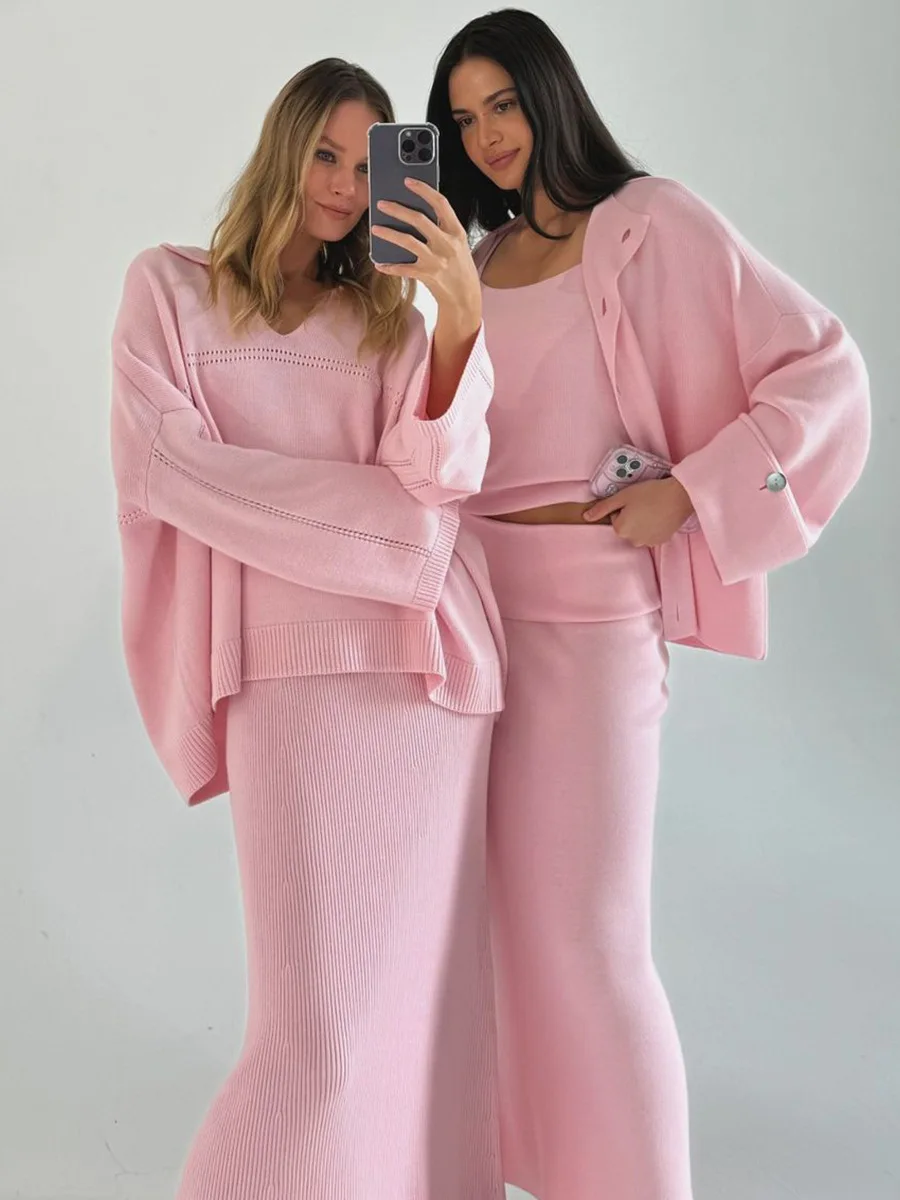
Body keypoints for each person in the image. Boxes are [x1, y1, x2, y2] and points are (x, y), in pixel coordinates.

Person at [383, 10, 872, 1199]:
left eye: (505, 103)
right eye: (463, 118)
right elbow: (429, 443)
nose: (486, 136)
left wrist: (693, 493)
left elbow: (828, 370)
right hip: (461, 619)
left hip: (592, 620)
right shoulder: (476, 264)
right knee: (478, 939)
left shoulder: (651, 223)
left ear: (552, 95)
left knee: (587, 938)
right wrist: (424, 308)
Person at [110, 58, 507, 1200]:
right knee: (316, 1037)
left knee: (413, 1020)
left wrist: (458, 320)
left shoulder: (387, 323)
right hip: (286, 678)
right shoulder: (170, 291)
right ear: (280, 151)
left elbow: (440, 482)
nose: (343, 185)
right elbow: (165, 469)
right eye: (324, 154)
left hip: (426, 688)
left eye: (366, 163)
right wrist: (389, 538)